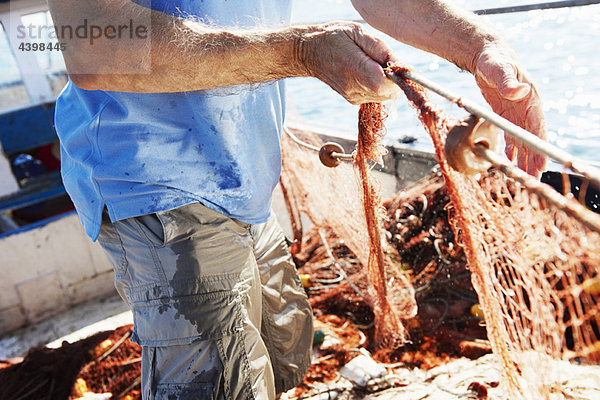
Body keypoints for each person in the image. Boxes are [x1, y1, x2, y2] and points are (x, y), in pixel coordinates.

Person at [47, 0, 547, 398]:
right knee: (222, 385)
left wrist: (482, 46)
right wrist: (302, 51)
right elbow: (95, 42)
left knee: (285, 352)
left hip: (241, 172)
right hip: (151, 176)